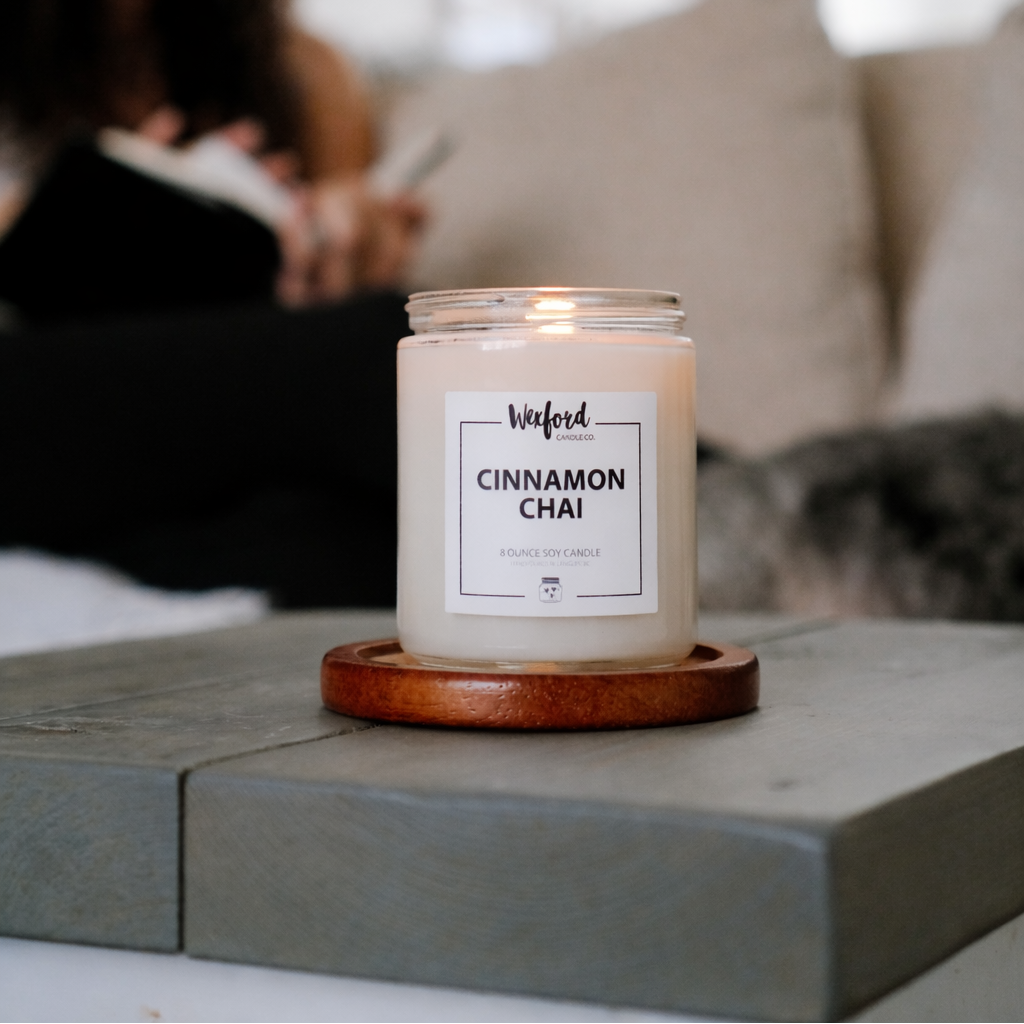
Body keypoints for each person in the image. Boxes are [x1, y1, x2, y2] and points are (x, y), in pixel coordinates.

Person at [0, 0, 424, 606]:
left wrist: (344, 237)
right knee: (386, 350)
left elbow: (293, 320)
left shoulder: (297, 69)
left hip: (190, 427)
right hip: (32, 380)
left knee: (335, 543)